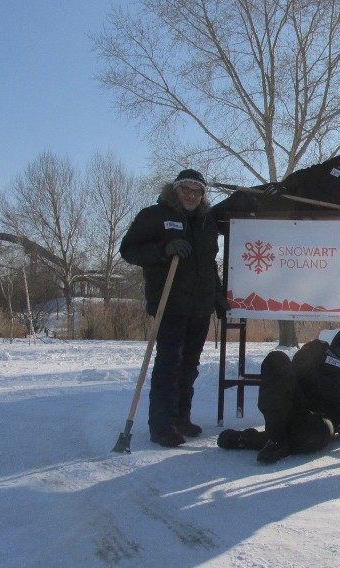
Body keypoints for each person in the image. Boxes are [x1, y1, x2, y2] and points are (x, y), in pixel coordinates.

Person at [120, 169, 229, 448]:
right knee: (169, 365)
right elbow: (129, 250)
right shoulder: (155, 215)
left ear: (203, 195)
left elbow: (208, 265)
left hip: (199, 306)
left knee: (189, 365)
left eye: (197, 191)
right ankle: (161, 425)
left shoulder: (206, 223)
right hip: (170, 303)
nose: (191, 195)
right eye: (186, 190)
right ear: (175, 190)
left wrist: (216, 295)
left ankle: (181, 417)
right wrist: (164, 249)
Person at [217, 317, 340, 464]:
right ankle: (277, 438)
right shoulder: (319, 348)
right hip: (291, 404)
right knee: (277, 359)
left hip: (317, 423)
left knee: (320, 433)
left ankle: (255, 439)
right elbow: (302, 372)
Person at [211, 135, 340, 220]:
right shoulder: (339, 163)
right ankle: (207, 220)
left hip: (326, 221)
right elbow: (309, 173)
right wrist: (284, 186)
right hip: (298, 201)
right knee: (249, 198)